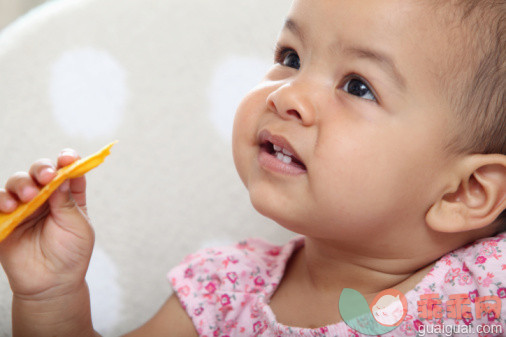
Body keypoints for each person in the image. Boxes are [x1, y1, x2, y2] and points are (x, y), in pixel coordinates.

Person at [0, 0, 505, 336]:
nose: (288, 95)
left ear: (465, 193)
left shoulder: (487, 291)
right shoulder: (222, 291)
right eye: (291, 56)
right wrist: (52, 296)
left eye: (358, 86)